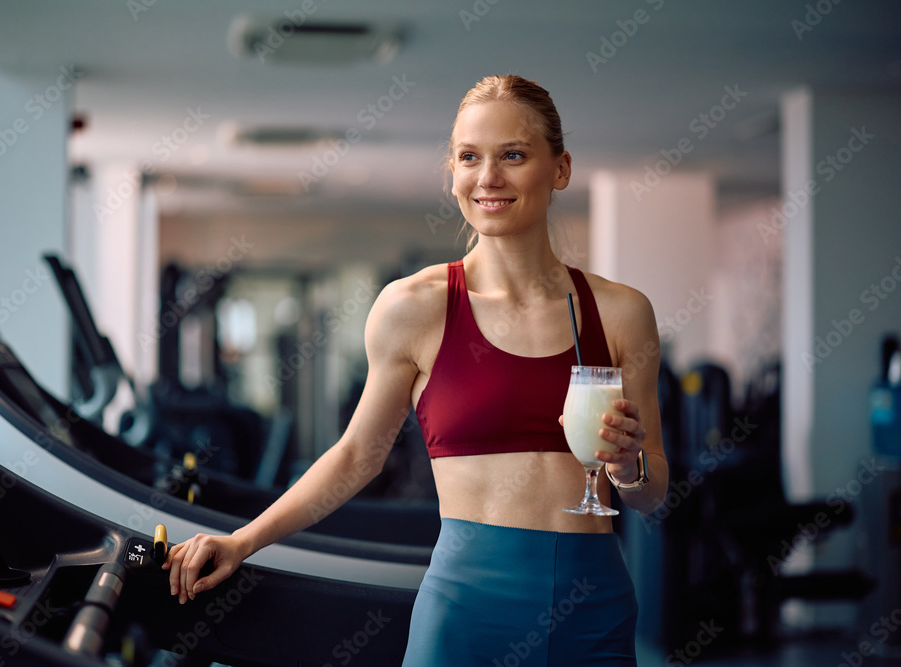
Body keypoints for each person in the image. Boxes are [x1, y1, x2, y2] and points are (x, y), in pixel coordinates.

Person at [163, 74, 668, 665]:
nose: (489, 178)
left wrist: (630, 466)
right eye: (468, 157)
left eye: (513, 155)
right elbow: (357, 456)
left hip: (594, 608)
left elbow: (652, 493)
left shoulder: (621, 312)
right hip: (467, 611)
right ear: (451, 172)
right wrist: (243, 540)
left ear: (560, 169)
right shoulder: (415, 307)